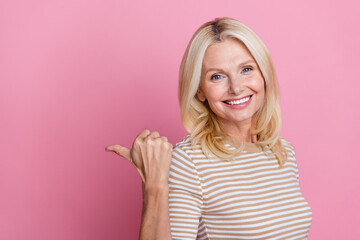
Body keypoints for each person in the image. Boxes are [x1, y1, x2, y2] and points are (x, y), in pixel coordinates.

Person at [106, 17, 312, 240]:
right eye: (217, 76)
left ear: (264, 75)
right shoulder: (190, 161)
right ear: (200, 91)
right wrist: (154, 185)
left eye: (246, 69)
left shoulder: (282, 152)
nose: (236, 87)